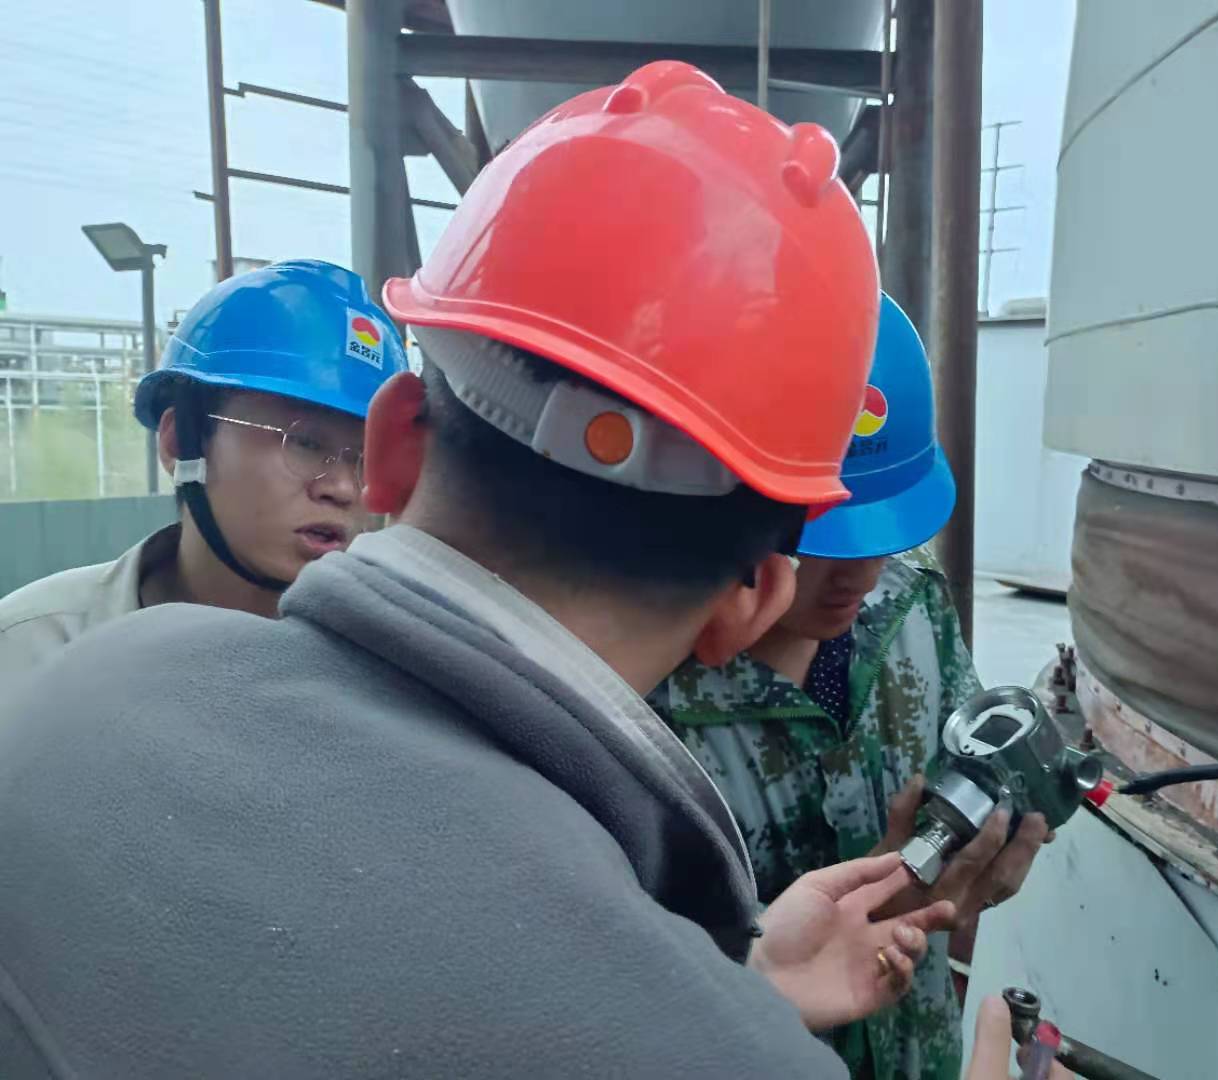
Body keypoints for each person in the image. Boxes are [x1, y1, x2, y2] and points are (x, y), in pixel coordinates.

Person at [0, 63, 957, 1077]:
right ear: (750, 600)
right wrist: (723, 1014)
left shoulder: (75, 693)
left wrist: (736, 981)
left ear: (391, 448)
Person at [648, 293, 1050, 1080]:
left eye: (885, 533)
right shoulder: (640, 692)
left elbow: (972, 769)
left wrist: (983, 846)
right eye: (825, 539)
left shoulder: (911, 603)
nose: (863, 575)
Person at [0, 260, 407, 675]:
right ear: (180, 443)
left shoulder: (392, 672)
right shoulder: (30, 652)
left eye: (366, 458)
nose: (344, 488)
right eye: (305, 442)